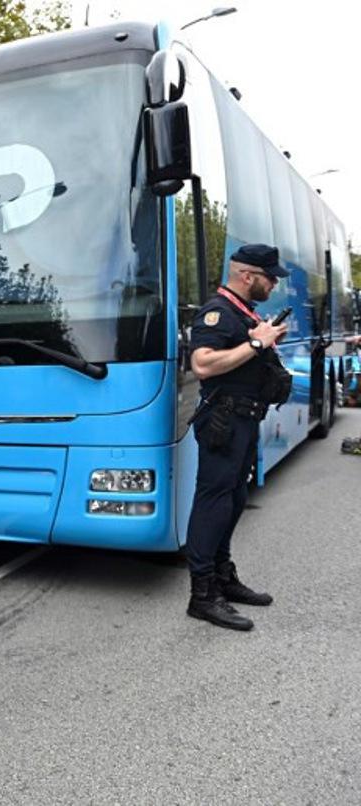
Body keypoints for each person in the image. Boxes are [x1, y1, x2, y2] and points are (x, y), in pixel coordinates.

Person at [186, 243, 291, 631]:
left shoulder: (245, 313)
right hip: (223, 421)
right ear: (248, 276)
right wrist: (256, 343)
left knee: (234, 498)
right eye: (269, 277)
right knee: (213, 501)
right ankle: (202, 596)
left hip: (243, 420)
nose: (273, 284)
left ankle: (222, 577)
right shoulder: (219, 313)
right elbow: (202, 364)